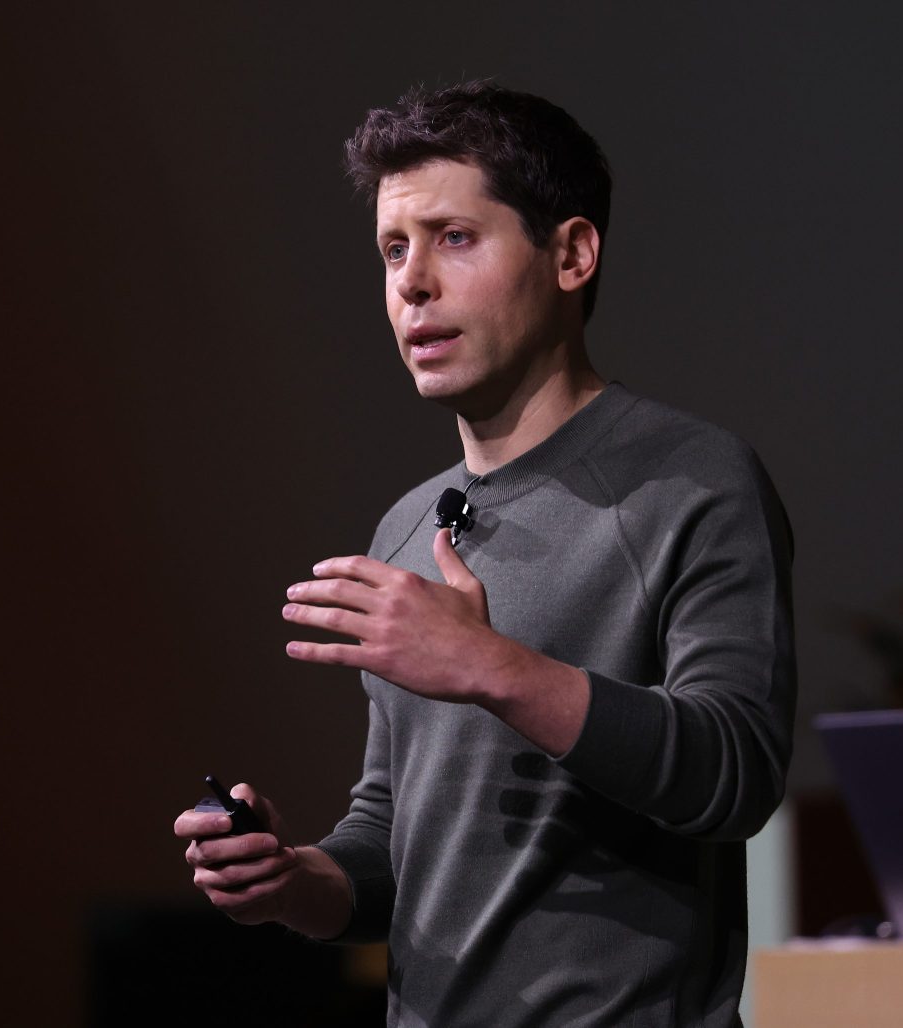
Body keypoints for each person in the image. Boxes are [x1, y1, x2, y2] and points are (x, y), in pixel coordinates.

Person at [174, 80, 796, 1027]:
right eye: (393, 249)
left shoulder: (691, 481)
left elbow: (734, 771)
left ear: (572, 254)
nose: (411, 282)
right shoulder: (407, 528)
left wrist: (492, 667)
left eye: (454, 238)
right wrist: (295, 880)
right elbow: (395, 844)